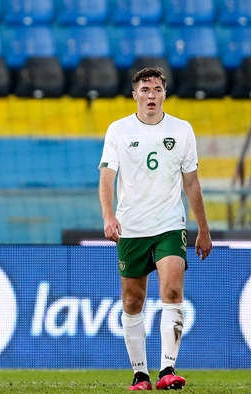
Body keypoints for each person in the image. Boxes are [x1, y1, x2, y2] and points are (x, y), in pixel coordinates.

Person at [98, 67, 213, 391]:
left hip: (169, 225)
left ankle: (167, 370)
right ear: (134, 94)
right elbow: (107, 178)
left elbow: (191, 182)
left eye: (157, 89)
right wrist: (109, 217)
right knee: (133, 301)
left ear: (165, 93)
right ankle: (140, 374)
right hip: (131, 227)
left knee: (173, 292)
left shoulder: (182, 130)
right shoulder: (118, 130)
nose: (151, 95)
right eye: (145, 89)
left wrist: (203, 229)